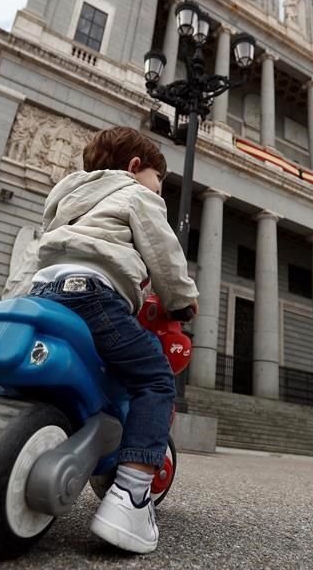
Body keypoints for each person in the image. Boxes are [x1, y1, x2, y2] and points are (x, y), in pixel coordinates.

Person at [19, 126, 199, 554]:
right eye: (159, 180)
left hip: (43, 293)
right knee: (154, 379)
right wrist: (182, 301)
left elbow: (39, 249)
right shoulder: (135, 193)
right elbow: (164, 255)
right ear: (136, 167)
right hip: (93, 295)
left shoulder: (66, 197)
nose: (159, 190)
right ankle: (131, 498)